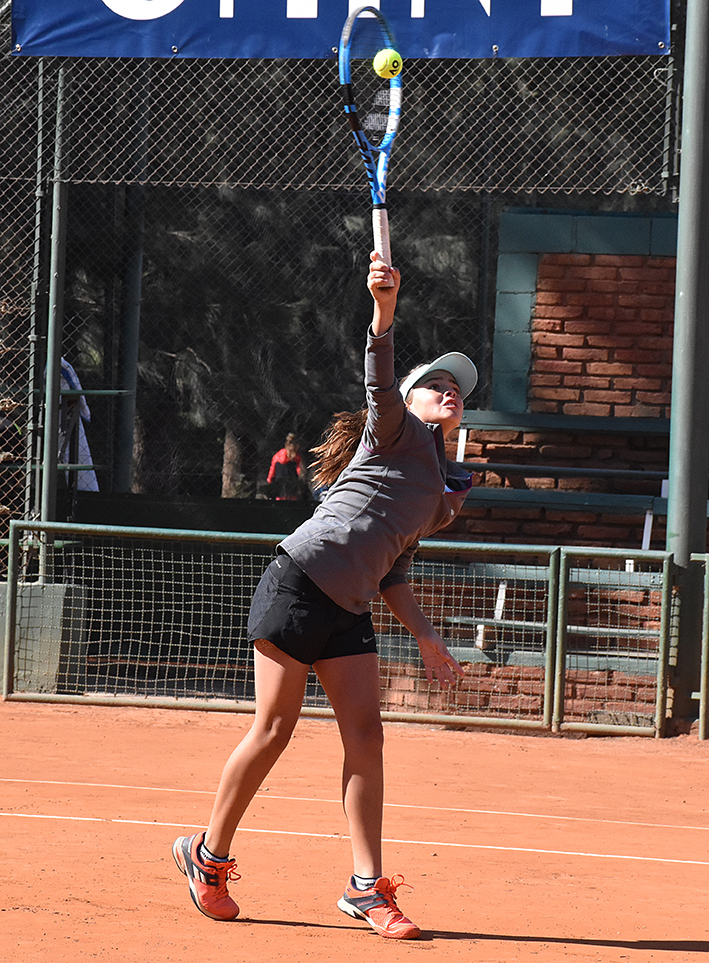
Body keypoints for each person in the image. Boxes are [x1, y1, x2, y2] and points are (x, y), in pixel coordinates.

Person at [172, 252, 478, 939]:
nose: (449, 389)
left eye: (457, 387)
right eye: (434, 383)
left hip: (349, 608)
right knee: (274, 728)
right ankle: (207, 855)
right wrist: (384, 310)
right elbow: (376, 371)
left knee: (366, 735)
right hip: (298, 580)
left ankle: (365, 888)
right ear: (409, 399)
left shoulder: (440, 492)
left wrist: (426, 635)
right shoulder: (393, 428)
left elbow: (394, 569)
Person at [266, 432, 304, 500]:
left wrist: (269, 480)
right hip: (292, 489)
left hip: (279, 486)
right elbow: (299, 473)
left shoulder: (278, 455)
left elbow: (272, 471)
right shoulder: (297, 458)